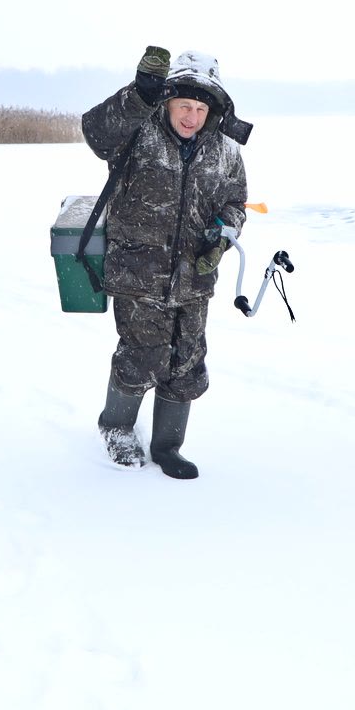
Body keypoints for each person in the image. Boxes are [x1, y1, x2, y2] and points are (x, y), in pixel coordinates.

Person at [80, 47, 250, 480]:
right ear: (168, 102)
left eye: (199, 107)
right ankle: (116, 426)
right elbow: (96, 131)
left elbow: (235, 202)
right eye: (183, 105)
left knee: (186, 362)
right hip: (139, 273)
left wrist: (223, 235)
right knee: (141, 355)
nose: (191, 116)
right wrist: (138, 94)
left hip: (195, 275)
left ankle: (168, 447)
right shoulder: (137, 131)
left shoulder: (225, 151)